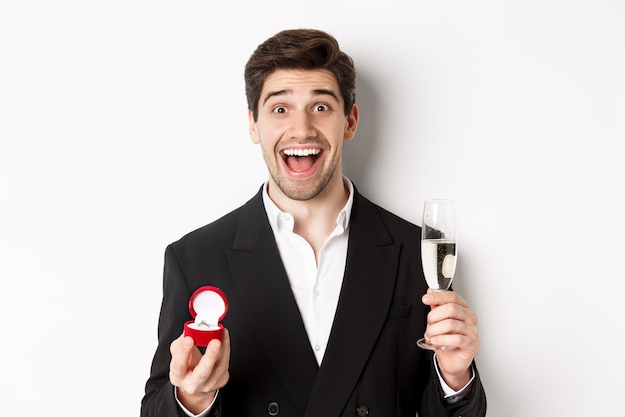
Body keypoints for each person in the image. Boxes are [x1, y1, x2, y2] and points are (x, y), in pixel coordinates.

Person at [141, 28, 487, 417]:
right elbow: (155, 407)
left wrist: (455, 378)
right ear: (254, 124)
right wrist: (192, 400)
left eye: (321, 107)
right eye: (280, 109)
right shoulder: (195, 257)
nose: (302, 129)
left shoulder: (416, 253)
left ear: (350, 121)